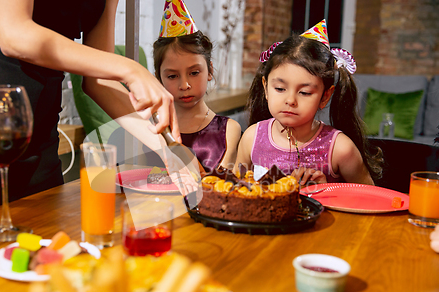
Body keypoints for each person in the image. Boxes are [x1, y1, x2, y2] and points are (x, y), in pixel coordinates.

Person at [0, 0, 192, 224]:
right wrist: (131, 69)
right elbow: (14, 34)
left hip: (39, 141)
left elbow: (98, 82)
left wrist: (165, 149)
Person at [234, 20, 382, 186]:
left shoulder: (340, 149)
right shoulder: (251, 139)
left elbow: (368, 200)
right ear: (266, 87)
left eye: (304, 92)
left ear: (325, 96)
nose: (290, 100)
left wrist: (327, 191)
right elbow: (233, 192)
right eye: (280, 89)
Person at [151, 0, 241, 173]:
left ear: (209, 70)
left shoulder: (228, 130)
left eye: (194, 73)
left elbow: (222, 188)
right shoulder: (153, 130)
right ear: (158, 78)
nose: (184, 85)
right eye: (172, 76)